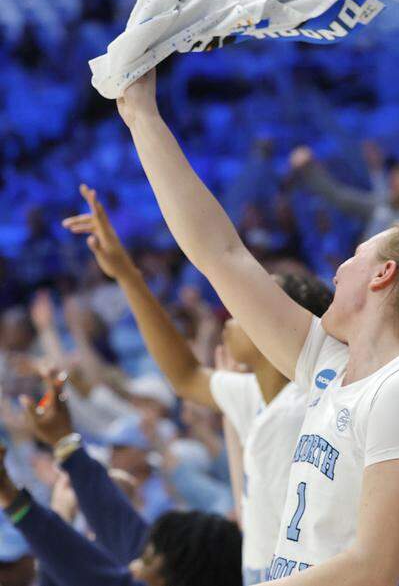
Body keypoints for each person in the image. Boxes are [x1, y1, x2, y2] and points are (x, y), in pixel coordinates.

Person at [115, 66, 399, 585]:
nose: (336, 270)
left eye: (354, 257)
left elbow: (374, 567)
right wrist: (142, 116)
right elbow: (220, 253)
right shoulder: (329, 364)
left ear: (384, 275)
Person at [61, 183, 333, 584]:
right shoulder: (255, 392)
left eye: (252, 304)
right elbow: (184, 374)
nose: (232, 314)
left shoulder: (310, 404)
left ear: (284, 324)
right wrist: (127, 275)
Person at [0, 371, 243, 586]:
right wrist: (64, 442)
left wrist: (12, 496)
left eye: (147, 560)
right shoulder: (169, 567)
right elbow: (118, 522)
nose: (134, 566)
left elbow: (84, 569)